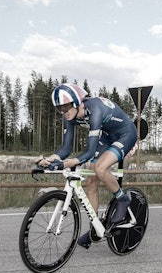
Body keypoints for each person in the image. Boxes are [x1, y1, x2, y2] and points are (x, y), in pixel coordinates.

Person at [37, 83, 138, 249]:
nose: (63, 112)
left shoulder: (95, 110)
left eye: (66, 107)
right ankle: (95, 228)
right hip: (106, 136)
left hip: (126, 134)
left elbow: (90, 152)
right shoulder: (69, 117)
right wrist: (51, 159)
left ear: (77, 102)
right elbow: (65, 149)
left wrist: (67, 163)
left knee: (100, 168)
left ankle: (123, 200)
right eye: (59, 108)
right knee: (91, 180)